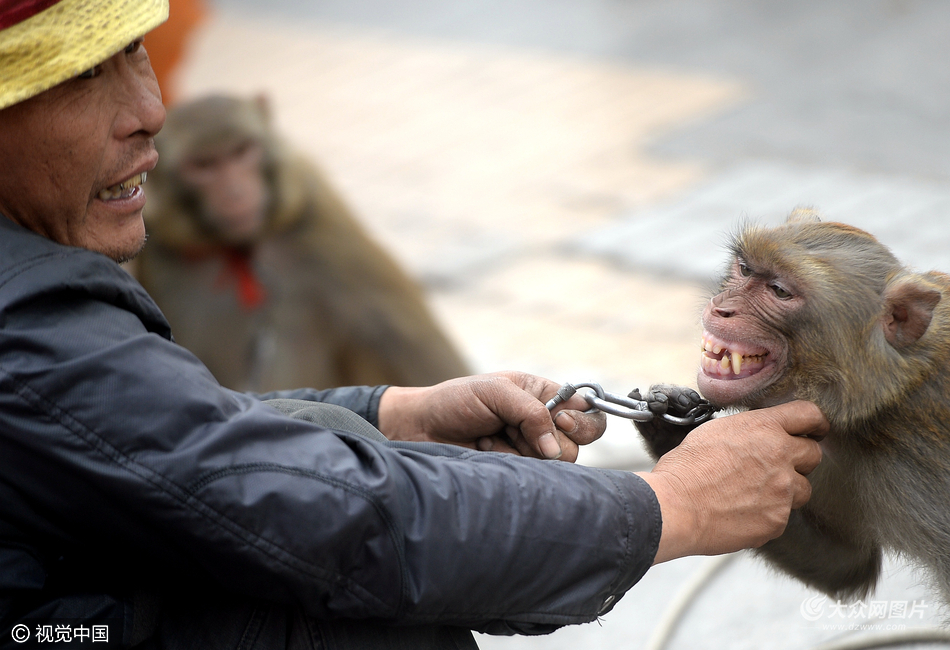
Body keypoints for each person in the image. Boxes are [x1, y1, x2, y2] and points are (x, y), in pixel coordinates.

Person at [0, 0, 825, 648]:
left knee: (335, 446)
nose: (150, 110)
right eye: (78, 77)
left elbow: (167, 443)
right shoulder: (34, 319)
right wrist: (670, 507)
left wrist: (393, 414)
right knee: (340, 594)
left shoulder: (63, 262)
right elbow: (321, 516)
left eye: (136, 49)